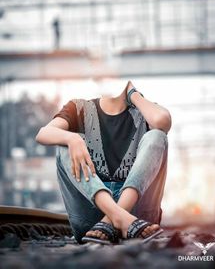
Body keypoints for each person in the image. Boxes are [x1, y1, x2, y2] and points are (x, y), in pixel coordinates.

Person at [35, 80, 171, 245]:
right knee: (63, 142)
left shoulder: (145, 111)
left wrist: (133, 94)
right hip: (90, 220)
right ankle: (119, 217)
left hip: (138, 219)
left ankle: (110, 221)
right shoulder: (78, 108)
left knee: (157, 136)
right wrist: (72, 138)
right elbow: (43, 133)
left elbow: (162, 121)